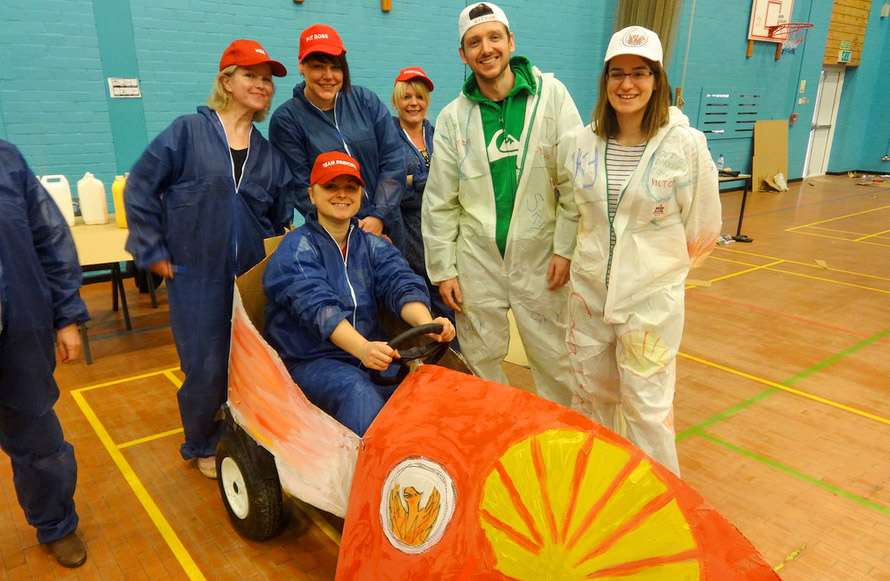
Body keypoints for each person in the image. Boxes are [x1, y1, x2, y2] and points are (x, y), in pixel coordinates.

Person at [125, 39, 293, 479]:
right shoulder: (187, 133)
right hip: (196, 278)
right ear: (226, 81)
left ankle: (247, 433)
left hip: (250, 280)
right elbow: (140, 186)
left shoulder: (269, 155)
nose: (262, 85)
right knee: (204, 366)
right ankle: (202, 442)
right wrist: (150, 248)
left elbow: (279, 219)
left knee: (253, 361)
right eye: (251, 75)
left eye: (267, 80)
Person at [562, 26, 721, 476]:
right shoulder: (583, 142)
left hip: (651, 303)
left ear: (657, 80)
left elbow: (705, 227)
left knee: (648, 410)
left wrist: (656, 275)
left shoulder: (684, 145)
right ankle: (598, 488)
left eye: (639, 73)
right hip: (589, 297)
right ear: (605, 80)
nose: (627, 84)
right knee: (589, 400)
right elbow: (578, 213)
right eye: (617, 73)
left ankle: (659, 503)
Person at [422, 2, 582, 405]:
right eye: (474, 42)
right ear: (463, 54)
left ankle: (567, 434)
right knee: (481, 361)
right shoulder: (453, 118)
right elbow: (440, 201)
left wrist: (565, 248)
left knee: (557, 360)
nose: (486, 49)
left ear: (511, 42)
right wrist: (444, 269)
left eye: (494, 37)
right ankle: (495, 431)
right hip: (476, 262)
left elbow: (575, 181)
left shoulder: (552, 97)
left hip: (542, 258)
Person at [263, 152, 455, 437]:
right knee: (357, 390)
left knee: (423, 389)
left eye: (350, 187)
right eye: (331, 186)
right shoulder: (296, 248)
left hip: (369, 355)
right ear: (312, 195)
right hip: (309, 361)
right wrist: (362, 349)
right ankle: (363, 464)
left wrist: (427, 324)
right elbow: (319, 309)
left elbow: (400, 282)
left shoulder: (371, 245)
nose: (342, 194)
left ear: (360, 195)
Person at [0, 140, 89, 567]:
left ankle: (56, 523)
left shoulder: (6, 160)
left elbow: (50, 238)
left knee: (39, 440)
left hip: (16, 333)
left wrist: (66, 316)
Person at [270, 24, 406, 248]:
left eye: (336, 67)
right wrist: (350, 225)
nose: (328, 76)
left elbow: (393, 159)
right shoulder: (287, 120)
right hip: (336, 236)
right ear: (301, 65)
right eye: (318, 67)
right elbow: (301, 187)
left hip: (388, 226)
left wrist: (379, 215)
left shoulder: (366, 101)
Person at [391, 66, 458, 345]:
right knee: (416, 305)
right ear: (396, 101)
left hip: (441, 231)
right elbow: (388, 186)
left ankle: (451, 362)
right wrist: (424, 181)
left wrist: (411, 180)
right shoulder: (388, 137)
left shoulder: (438, 133)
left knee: (449, 308)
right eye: (406, 97)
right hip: (407, 236)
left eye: (419, 97)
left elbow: (454, 177)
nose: (413, 103)